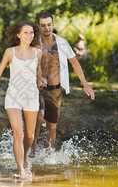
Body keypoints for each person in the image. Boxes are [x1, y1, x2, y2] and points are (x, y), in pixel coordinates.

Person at [0, 21, 42, 177]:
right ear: (18, 34)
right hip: (13, 96)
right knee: (19, 134)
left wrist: (41, 81)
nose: (29, 36)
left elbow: (38, 73)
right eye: (25, 32)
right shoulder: (10, 52)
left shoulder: (38, 53)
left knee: (30, 136)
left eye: (31, 33)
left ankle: (24, 156)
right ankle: (21, 170)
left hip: (31, 96)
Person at [30, 13, 95, 157]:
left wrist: (85, 84)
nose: (46, 28)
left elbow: (74, 63)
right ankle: (32, 150)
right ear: (39, 26)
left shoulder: (62, 43)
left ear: (52, 24)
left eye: (49, 24)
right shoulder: (34, 42)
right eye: (43, 25)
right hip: (37, 88)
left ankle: (49, 155)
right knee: (39, 116)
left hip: (55, 90)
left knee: (52, 127)